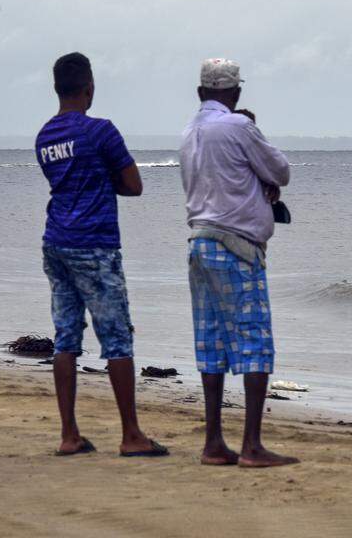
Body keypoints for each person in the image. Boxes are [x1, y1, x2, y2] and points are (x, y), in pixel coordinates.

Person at [35, 52, 167, 458]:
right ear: (89, 88)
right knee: (117, 338)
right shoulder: (101, 132)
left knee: (66, 337)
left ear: (57, 89)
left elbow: (64, 180)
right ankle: (131, 434)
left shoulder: (45, 136)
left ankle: (69, 433)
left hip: (56, 240)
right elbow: (133, 185)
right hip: (95, 243)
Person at [180, 58, 298, 468]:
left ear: (200, 93)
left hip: (200, 242)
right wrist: (249, 126)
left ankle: (214, 441)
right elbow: (280, 171)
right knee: (253, 341)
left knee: (211, 342)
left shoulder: (189, 131)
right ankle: (251, 445)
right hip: (237, 246)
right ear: (236, 93)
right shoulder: (238, 127)